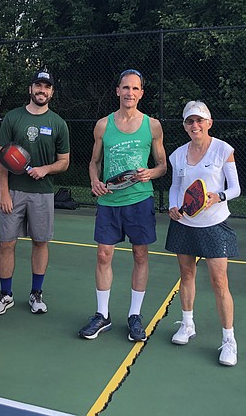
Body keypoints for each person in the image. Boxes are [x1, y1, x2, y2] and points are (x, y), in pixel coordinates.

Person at [79, 69, 167, 342]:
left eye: (135, 89)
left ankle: (134, 316)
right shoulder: (103, 125)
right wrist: (94, 181)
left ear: (141, 93)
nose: (130, 93)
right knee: (104, 255)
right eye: (125, 88)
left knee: (140, 256)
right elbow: (94, 162)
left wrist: (150, 173)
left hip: (140, 200)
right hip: (109, 201)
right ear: (117, 90)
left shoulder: (152, 125)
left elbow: (163, 166)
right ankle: (102, 315)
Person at [165, 100, 241, 366]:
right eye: (189, 121)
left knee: (220, 283)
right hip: (185, 224)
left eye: (199, 120)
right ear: (185, 126)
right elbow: (175, 186)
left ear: (209, 123)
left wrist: (217, 197)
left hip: (215, 224)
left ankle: (229, 341)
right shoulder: (177, 155)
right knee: (186, 275)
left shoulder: (223, 150)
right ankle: (187, 325)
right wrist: (173, 205)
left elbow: (235, 189)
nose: (195, 125)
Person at [0, 70, 70, 315]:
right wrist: (3, 191)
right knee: (6, 244)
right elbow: (3, 158)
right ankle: (6, 295)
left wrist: (45, 169)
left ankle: (36, 294)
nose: (41, 90)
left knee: (40, 242)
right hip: (13, 192)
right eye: (38, 85)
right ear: (30, 89)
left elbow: (64, 161)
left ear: (52, 92)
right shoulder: (12, 118)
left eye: (47, 87)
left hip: (43, 194)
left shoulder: (58, 123)